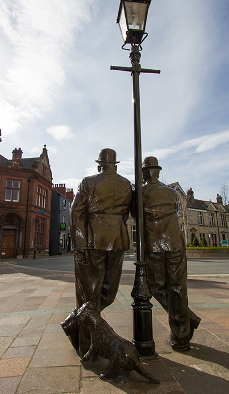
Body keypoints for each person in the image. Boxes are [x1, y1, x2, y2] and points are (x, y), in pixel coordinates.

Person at [69, 148, 132, 356]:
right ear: (115, 165)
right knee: (108, 292)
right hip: (118, 240)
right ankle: (85, 330)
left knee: (88, 295)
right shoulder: (126, 184)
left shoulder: (88, 182)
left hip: (92, 241)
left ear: (99, 165)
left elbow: (76, 212)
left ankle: (85, 342)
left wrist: (79, 244)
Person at [142, 156, 201, 351]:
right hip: (176, 243)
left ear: (146, 172)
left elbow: (136, 216)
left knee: (156, 286)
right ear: (157, 172)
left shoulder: (141, 193)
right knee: (178, 288)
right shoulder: (172, 192)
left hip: (156, 244)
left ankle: (186, 321)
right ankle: (181, 337)